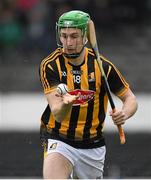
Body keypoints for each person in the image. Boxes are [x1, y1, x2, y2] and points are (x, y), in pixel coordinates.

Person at [39, 10, 138, 179]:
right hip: (59, 138)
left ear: (86, 36)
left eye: (74, 36)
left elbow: (130, 99)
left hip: (93, 145)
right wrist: (66, 104)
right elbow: (57, 112)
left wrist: (124, 113)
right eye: (64, 36)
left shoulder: (103, 67)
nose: (68, 42)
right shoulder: (50, 65)